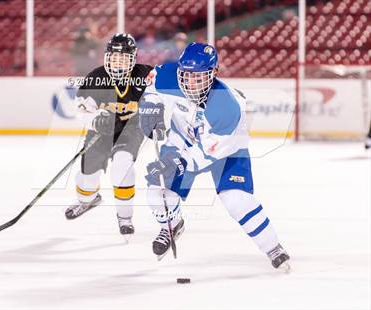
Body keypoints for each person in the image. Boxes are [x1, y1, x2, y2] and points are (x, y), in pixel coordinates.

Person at [138, 42, 290, 269]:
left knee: (236, 200)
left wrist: (177, 165)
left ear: (214, 73)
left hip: (227, 150)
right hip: (182, 140)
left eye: (198, 77)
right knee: (156, 196)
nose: (190, 82)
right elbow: (150, 88)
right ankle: (173, 224)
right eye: (186, 75)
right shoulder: (167, 75)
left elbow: (206, 154)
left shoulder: (226, 106)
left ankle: (272, 247)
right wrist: (149, 108)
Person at [66, 33, 153, 238]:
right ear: (107, 58)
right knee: (88, 178)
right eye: (114, 58)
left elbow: (164, 96)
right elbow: (80, 110)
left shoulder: (146, 75)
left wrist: (155, 114)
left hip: (130, 130)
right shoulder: (96, 77)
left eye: (123, 58)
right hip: (101, 133)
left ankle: (125, 217)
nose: (118, 62)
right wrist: (96, 119)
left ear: (133, 58)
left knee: (122, 166)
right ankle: (88, 200)